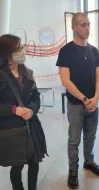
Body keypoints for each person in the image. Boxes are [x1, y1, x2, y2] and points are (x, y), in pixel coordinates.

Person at [56, 12, 99, 189]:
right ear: (74, 27)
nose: (87, 28)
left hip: (93, 104)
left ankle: (89, 161)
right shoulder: (66, 51)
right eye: (83, 25)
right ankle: (73, 170)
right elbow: (65, 80)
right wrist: (85, 99)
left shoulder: (93, 50)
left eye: (88, 24)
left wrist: (95, 98)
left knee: (91, 136)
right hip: (76, 105)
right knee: (74, 140)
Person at [0, 34, 47, 190]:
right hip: (13, 129)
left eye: (22, 47)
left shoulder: (27, 72)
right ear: (7, 52)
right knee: (18, 165)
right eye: (18, 48)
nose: (22, 51)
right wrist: (15, 109)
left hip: (31, 125)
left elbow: (36, 97)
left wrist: (32, 110)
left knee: (34, 163)